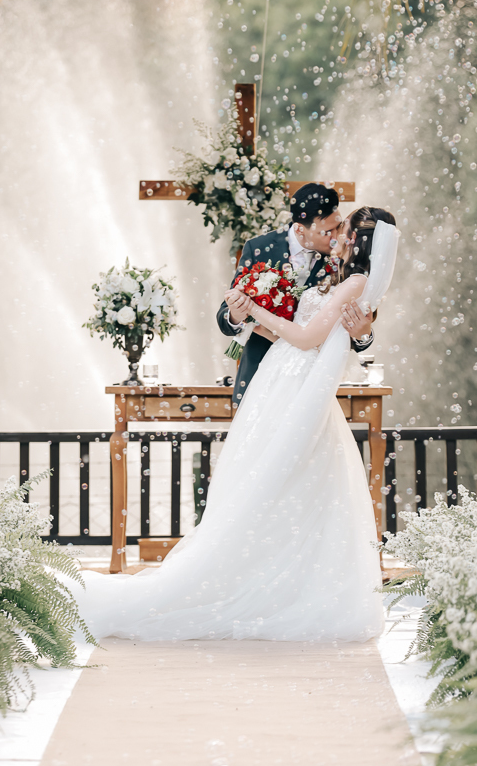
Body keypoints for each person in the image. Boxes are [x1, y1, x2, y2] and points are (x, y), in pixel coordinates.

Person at [73, 207, 398, 643]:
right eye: (332, 226)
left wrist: (345, 331)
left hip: (296, 388)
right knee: (258, 484)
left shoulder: (354, 281)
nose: (335, 234)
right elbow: (286, 331)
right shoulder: (286, 258)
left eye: (343, 229)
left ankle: (275, 588)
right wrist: (245, 313)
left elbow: (317, 336)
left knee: (281, 485)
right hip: (273, 383)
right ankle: (260, 580)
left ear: (358, 241)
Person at [216, 183, 374, 407]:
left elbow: (355, 323)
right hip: (260, 376)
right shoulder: (259, 247)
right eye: (326, 231)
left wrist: (363, 336)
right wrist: (236, 314)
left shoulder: (342, 258)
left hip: (312, 380)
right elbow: (224, 317)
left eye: (338, 226)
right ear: (300, 229)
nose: (335, 236)